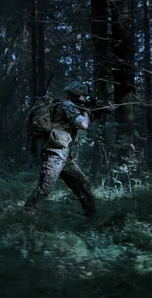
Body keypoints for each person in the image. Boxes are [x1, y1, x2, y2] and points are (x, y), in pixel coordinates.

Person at [23, 81, 97, 218]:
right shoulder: (67, 106)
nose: (85, 99)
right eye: (83, 96)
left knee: (82, 184)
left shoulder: (68, 106)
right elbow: (84, 125)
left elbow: (76, 129)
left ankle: (92, 219)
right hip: (54, 154)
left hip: (64, 156)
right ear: (78, 95)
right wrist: (88, 111)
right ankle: (26, 216)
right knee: (44, 189)